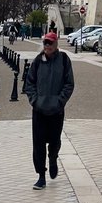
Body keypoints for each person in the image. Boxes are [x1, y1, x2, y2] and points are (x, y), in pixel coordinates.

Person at [23, 31, 74, 189]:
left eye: (50, 43)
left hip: (56, 110)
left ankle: (53, 158)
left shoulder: (64, 60)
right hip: (39, 110)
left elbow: (69, 83)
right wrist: (35, 101)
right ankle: (41, 175)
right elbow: (29, 83)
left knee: (54, 141)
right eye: (45, 42)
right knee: (38, 144)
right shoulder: (38, 61)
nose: (47, 45)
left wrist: (60, 101)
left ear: (56, 44)